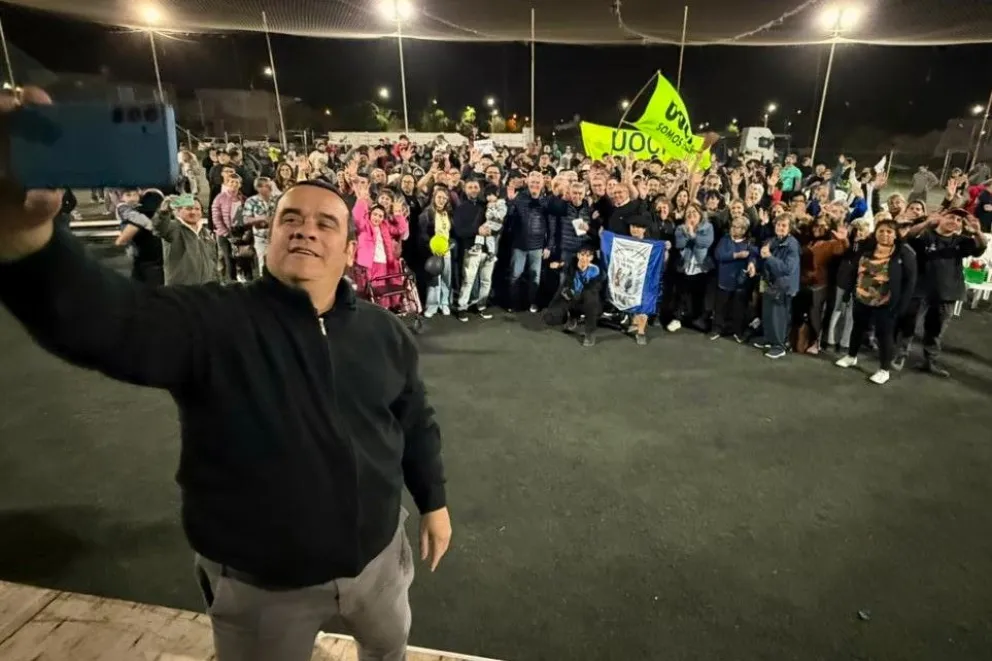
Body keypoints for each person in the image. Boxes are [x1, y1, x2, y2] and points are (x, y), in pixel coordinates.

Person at [0, 87, 451, 661]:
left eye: (324, 223)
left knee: (387, 653)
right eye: (291, 217)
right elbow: (106, 324)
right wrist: (27, 242)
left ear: (349, 248)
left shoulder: (382, 331)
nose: (305, 229)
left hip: (381, 565)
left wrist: (432, 501)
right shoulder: (216, 320)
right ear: (271, 237)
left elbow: (415, 420)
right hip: (264, 592)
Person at [834, 219, 918, 385]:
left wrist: (901, 305)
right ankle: (851, 356)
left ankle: (884, 369)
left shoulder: (904, 253)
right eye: (881, 231)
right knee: (857, 328)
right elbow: (854, 270)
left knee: (884, 335)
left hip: (886, 302)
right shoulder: (866, 248)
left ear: (895, 235)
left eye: (889, 231)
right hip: (861, 297)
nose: (885, 234)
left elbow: (910, 281)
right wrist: (849, 292)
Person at [753, 214, 801, 360]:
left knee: (779, 316)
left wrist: (769, 257)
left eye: (784, 225)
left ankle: (779, 345)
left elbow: (787, 269)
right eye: (778, 225)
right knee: (768, 313)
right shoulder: (773, 240)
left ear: (790, 228)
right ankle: (769, 339)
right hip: (769, 282)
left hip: (783, 286)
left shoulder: (792, 245)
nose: (780, 228)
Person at [544, 245, 603, 347]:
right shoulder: (571, 265)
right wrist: (557, 266)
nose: (584, 258)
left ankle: (590, 333)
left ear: (591, 258)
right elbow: (563, 266)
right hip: (572, 299)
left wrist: (577, 294)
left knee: (590, 296)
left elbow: (595, 288)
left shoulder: (596, 271)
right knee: (549, 318)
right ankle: (572, 318)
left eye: (588, 256)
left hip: (589, 303)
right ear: (578, 255)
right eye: (582, 255)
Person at [152, 197, 218, 286]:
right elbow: (159, 228)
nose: (193, 212)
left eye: (197, 209)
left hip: (205, 291)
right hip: (180, 291)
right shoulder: (172, 227)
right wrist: (163, 212)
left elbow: (213, 261)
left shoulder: (206, 233)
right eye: (189, 208)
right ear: (178, 211)